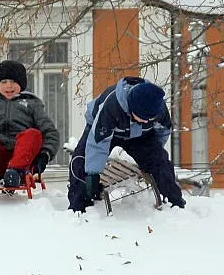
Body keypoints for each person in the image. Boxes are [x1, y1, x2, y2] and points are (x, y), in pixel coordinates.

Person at [68, 77, 186, 213]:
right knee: (81, 161)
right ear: (132, 108)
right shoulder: (112, 106)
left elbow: (163, 131)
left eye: (149, 119)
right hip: (102, 128)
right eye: (143, 117)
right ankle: (79, 208)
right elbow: (98, 142)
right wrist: (93, 174)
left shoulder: (157, 107)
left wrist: (150, 157)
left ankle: (175, 203)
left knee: (160, 162)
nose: (146, 121)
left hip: (140, 136)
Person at [0, 60, 60, 196]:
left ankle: (15, 173)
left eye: (13, 81)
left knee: (33, 134)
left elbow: (50, 133)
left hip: (22, 158)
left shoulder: (32, 104)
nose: (9, 86)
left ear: (21, 84)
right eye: (4, 82)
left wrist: (44, 156)